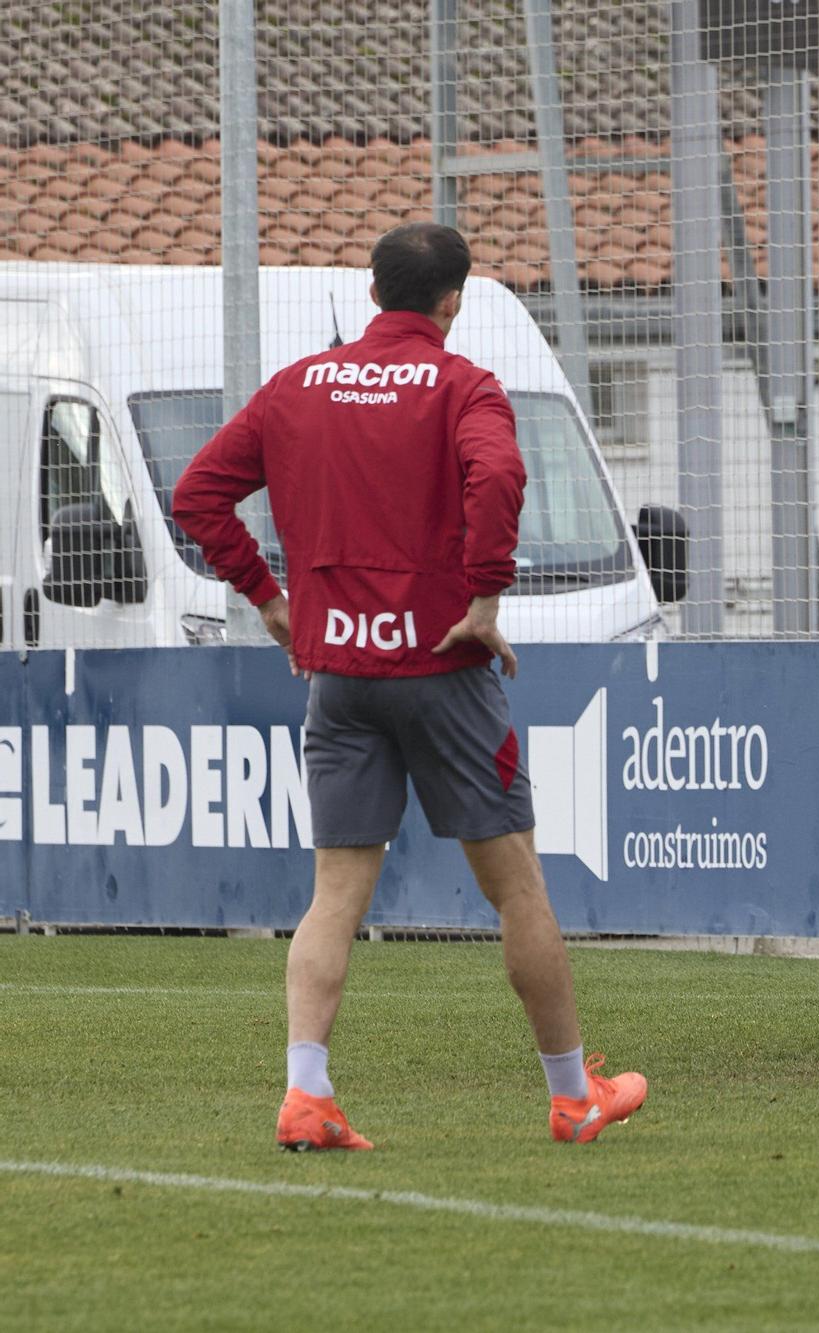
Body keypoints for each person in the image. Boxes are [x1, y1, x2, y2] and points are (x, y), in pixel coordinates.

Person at [173, 222, 646, 1149]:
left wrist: (269, 599)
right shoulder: (464, 385)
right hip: (442, 668)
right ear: (453, 300)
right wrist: (486, 595)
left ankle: (306, 1092)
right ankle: (572, 1095)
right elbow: (498, 471)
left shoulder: (299, 385)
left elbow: (197, 495)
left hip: (340, 676)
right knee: (517, 891)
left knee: (334, 896)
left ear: (373, 290)